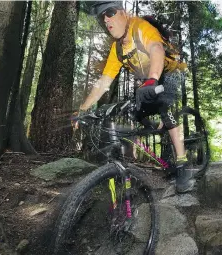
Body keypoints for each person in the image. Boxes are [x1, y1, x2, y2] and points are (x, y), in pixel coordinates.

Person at [79, 1, 194, 193]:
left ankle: (183, 164)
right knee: (135, 113)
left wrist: (152, 79)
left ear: (123, 13)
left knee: (164, 107)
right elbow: (104, 81)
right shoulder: (117, 50)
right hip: (149, 81)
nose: (106, 19)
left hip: (168, 72)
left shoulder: (139, 27)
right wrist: (84, 109)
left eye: (110, 12)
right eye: (102, 17)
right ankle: (161, 130)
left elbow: (156, 48)